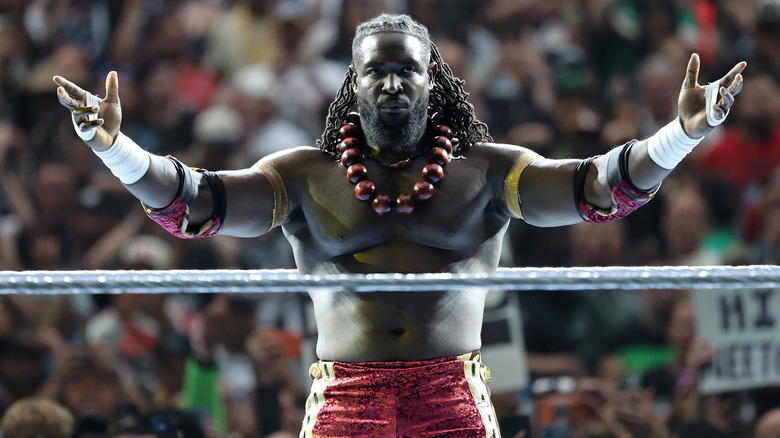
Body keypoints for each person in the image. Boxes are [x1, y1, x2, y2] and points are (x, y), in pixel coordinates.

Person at [53, 13, 745, 438]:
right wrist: (116, 148)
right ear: (351, 84)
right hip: (346, 391)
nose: (390, 84)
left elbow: (599, 191)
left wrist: (681, 135)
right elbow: (194, 206)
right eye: (374, 72)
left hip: (451, 390)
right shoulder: (303, 175)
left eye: (405, 71)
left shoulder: (487, 170)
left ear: (433, 81)